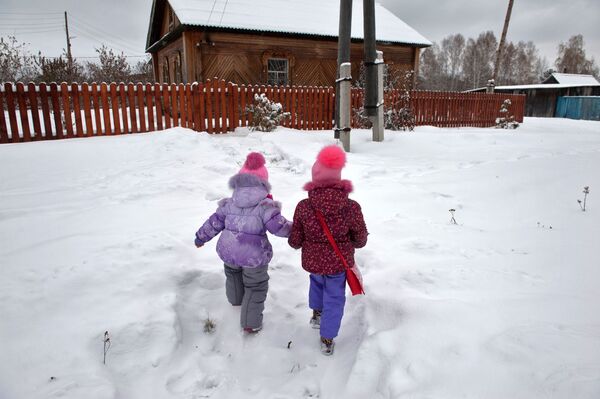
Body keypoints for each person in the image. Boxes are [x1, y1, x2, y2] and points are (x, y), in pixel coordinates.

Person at [194, 152, 292, 333]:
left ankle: (236, 300)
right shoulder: (265, 206)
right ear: (264, 183)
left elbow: (214, 222)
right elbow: (279, 227)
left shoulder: (229, 204)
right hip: (253, 256)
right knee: (256, 285)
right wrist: (298, 231)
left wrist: (201, 237)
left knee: (233, 274)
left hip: (229, 250)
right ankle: (250, 323)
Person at [288, 145, 368, 355]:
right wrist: (355, 243)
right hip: (337, 262)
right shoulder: (351, 207)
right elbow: (360, 237)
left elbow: (296, 235)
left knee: (316, 282)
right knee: (334, 296)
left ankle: (317, 313)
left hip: (313, 260)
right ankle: (327, 337)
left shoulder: (304, 206)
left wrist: (295, 243)